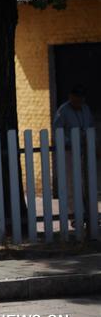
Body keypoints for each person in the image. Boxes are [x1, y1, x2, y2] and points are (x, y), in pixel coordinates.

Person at [52, 84, 95, 228]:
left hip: (84, 149)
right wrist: (70, 143)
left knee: (86, 181)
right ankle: (75, 215)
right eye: (76, 98)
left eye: (81, 98)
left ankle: (89, 214)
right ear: (71, 97)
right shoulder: (63, 111)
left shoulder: (85, 109)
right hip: (69, 151)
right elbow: (57, 130)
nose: (79, 101)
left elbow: (90, 126)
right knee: (71, 183)